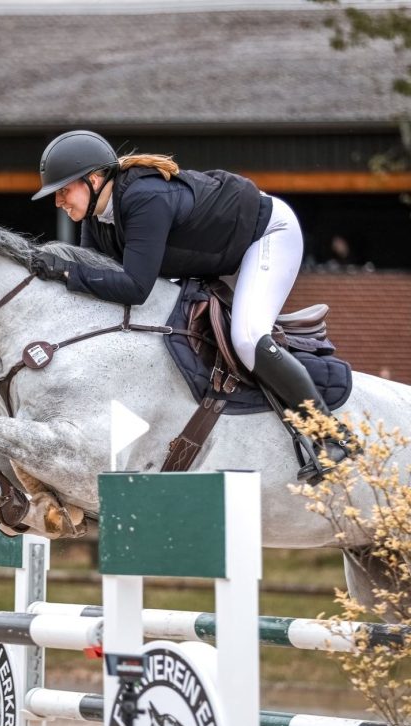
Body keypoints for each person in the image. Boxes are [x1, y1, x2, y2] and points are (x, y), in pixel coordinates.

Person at [29, 130, 359, 483]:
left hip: (267, 235)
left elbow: (135, 288)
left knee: (247, 337)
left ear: (93, 179)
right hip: (217, 255)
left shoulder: (144, 197)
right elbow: (97, 280)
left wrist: (63, 270)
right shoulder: (97, 217)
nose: (58, 201)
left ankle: (331, 435)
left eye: (63, 190)